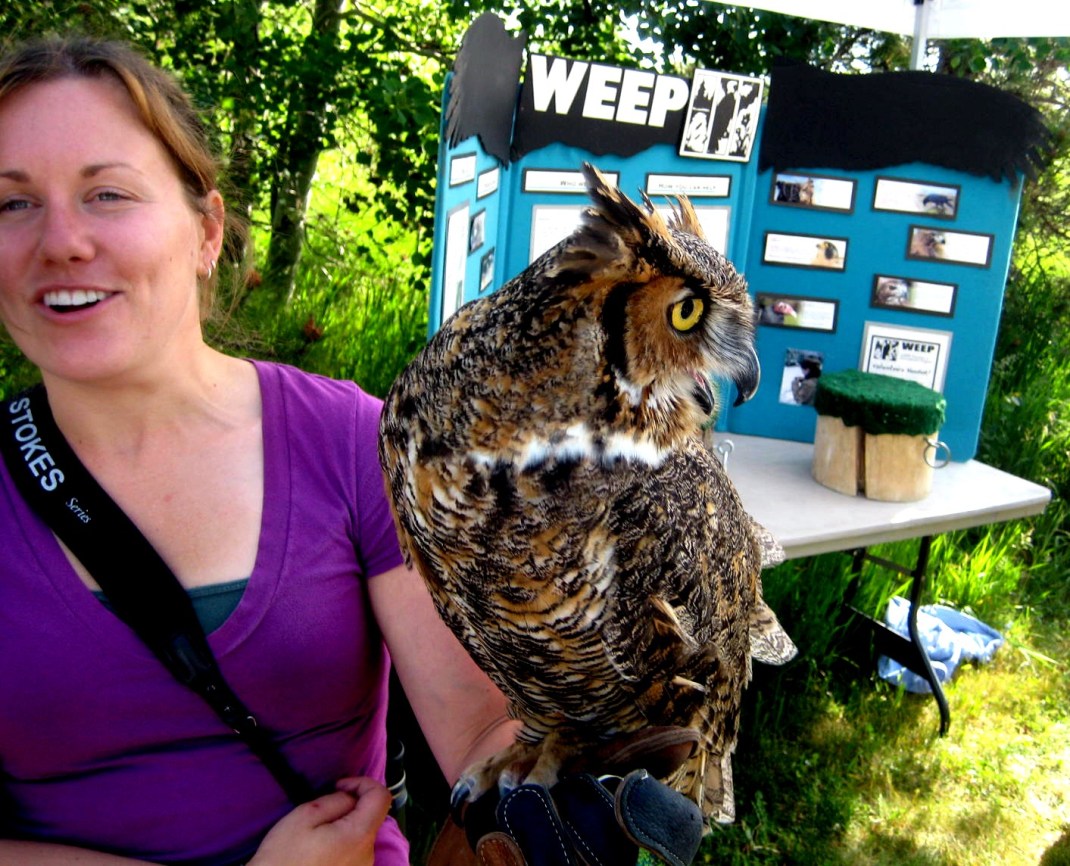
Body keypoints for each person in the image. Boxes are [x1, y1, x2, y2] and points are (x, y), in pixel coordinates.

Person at [0, 34, 520, 865]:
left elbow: (488, 735)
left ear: (207, 232)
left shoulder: (354, 444)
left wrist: (580, 777)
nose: (60, 241)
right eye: (11, 204)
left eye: (107, 195)